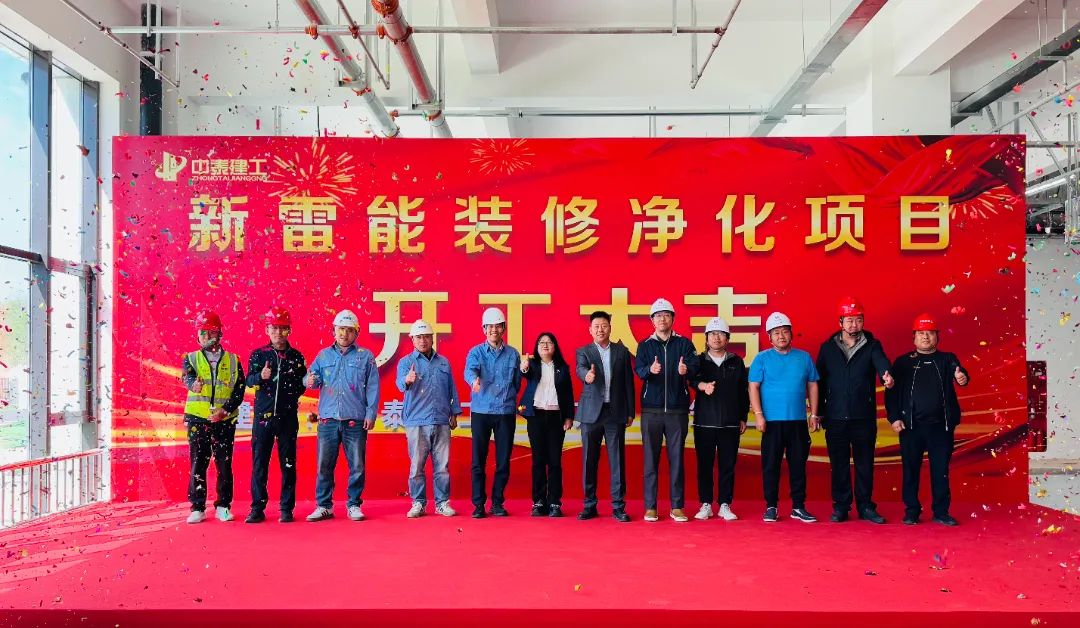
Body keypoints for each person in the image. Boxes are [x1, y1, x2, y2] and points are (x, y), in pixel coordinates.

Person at [885, 313, 970, 527]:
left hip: (941, 427)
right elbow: (891, 393)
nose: (925, 337)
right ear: (914, 337)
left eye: (930, 333)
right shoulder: (903, 362)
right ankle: (911, 511)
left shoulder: (947, 359)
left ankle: (941, 512)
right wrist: (894, 418)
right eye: (921, 333)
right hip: (910, 427)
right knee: (910, 470)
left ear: (937, 337)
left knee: (940, 471)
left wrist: (962, 377)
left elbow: (960, 374)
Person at [816, 297, 893, 525]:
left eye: (858, 320)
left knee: (864, 463)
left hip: (863, 417)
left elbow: (882, 363)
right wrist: (818, 412)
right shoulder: (828, 348)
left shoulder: (872, 345)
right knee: (838, 464)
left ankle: (866, 506)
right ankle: (841, 506)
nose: (853, 325)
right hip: (835, 417)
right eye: (849, 320)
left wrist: (887, 375)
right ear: (840, 322)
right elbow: (818, 382)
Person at [304, 309, 380, 522]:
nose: (344, 334)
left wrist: (371, 413)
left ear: (356, 333)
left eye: (349, 330)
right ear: (334, 330)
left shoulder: (365, 356)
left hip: (355, 420)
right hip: (328, 419)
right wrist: (309, 381)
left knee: (357, 466)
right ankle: (324, 506)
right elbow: (310, 379)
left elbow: (373, 387)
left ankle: (354, 505)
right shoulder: (323, 356)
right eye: (340, 329)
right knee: (324, 465)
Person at [749, 311, 820, 524]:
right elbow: (753, 387)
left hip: (797, 421)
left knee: (798, 465)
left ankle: (798, 506)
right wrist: (759, 416)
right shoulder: (761, 358)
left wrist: (814, 413)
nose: (781, 336)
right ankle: (771, 506)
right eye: (776, 333)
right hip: (771, 422)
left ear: (791, 333)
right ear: (769, 337)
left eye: (785, 331)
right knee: (771, 465)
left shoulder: (804, 358)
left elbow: (812, 385)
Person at [634, 298, 699, 523]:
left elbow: (695, 368)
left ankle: (677, 506)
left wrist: (686, 369)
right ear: (652, 320)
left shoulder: (684, 344)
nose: (662, 319)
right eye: (658, 316)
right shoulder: (645, 345)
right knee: (650, 461)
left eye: (666, 315)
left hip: (677, 410)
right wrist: (649, 370)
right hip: (651, 411)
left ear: (673, 318)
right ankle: (650, 507)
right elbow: (638, 369)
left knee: (677, 460)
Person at [180, 310, 246, 524]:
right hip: (198, 419)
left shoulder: (234, 360)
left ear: (220, 334)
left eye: (211, 332)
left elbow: (239, 390)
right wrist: (193, 385)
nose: (206, 337)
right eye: (202, 333)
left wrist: (224, 411)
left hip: (224, 420)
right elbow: (186, 377)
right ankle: (197, 507)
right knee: (198, 463)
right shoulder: (191, 358)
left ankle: (223, 506)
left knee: (224, 464)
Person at [244, 307, 307, 524]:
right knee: (259, 463)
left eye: (282, 328)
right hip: (263, 418)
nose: (278, 333)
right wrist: (260, 377)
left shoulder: (296, 357)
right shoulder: (259, 354)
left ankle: (286, 508)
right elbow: (248, 380)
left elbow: (302, 385)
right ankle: (257, 508)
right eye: (274, 328)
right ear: (267, 330)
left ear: (289, 330)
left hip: (287, 418)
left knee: (288, 464)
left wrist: (290, 394)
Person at [396, 320, 461, 518]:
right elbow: (400, 384)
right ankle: (418, 503)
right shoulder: (406, 362)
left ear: (432, 339)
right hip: (416, 421)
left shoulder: (443, 362)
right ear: (412, 340)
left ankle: (442, 503)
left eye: (426, 337)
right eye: (418, 337)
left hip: (441, 419)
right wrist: (407, 380)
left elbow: (452, 388)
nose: (422, 340)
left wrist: (454, 412)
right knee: (417, 466)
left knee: (442, 466)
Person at [576, 311, 636, 522]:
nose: (600, 330)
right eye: (596, 326)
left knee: (617, 461)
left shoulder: (621, 351)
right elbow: (580, 369)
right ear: (590, 330)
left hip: (615, 412)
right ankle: (589, 505)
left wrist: (630, 411)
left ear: (610, 328)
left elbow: (628, 382)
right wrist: (588, 376)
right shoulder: (584, 351)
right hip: (591, 413)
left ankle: (618, 506)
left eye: (604, 326)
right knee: (589, 461)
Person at [464, 307, 522, 518]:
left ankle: (497, 502)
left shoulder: (513, 354)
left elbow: (517, 383)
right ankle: (478, 504)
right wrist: (474, 380)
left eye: (498, 326)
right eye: (490, 327)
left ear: (504, 328)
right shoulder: (476, 352)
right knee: (478, 460)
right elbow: (469, 370)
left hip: (505, 412)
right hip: (481, 411)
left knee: (503, 460)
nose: (494, 330)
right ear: (484, 329)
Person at [690, 317, 749, 522]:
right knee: (704, 466)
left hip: (730, 422)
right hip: (704, 422)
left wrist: (742, 417)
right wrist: (702, 386)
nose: (716, 338)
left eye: (721, 334)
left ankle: (725, 504)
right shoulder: (698, 361)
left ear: (727, 338)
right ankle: (705, 504)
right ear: (706, 338)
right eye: (712, 334)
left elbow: (743, 391)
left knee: (727, 466)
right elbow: (691, 380)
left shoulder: (736, 361)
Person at [518, 332, 575, 517]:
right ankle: (539, 501)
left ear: (555, 347)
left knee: (555, 461)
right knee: (538, 460)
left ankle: (554, 502)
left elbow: (568, 394)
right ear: (537, 347)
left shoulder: (562, 368)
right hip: (536, 416)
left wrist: (569, 417)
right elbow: (525, 373)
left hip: (556, 417)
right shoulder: (533, 365)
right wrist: (524, 368)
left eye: (549, 342)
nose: (545, 345)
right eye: (541, 342)